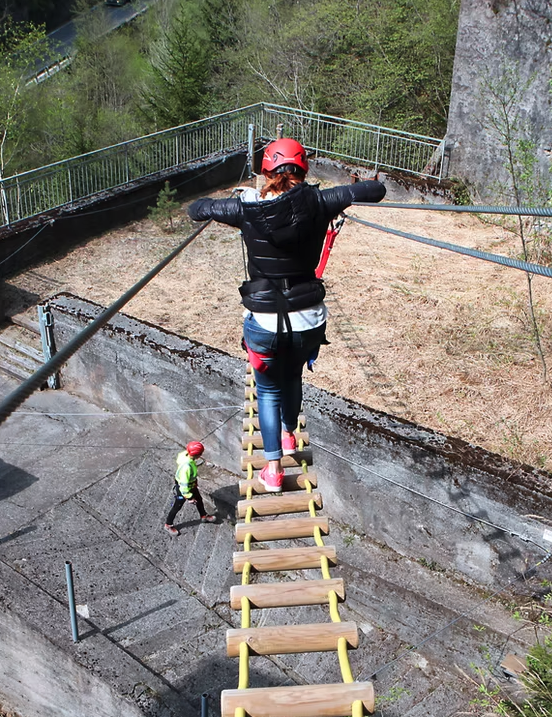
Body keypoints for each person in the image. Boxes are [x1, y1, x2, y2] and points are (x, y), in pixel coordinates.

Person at [188, 138, 386, 492]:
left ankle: (274, 470)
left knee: (267, 392)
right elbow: (377, 190)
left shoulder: (246, 208)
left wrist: (236, 202)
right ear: (303, 169)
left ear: (267, 171)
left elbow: (197, 209)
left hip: (264, 322)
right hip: (308, 320)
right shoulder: (320, 202)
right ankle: (289, 436)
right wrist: (344, 192)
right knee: (293, 377)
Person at [165, 440, 217, 534]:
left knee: (199, 500)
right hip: (184, 489)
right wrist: (189, 497)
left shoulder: (185, 455)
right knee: (177, 506)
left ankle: (203, 515)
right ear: (197, 455)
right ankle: (168, 524)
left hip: (192, 485)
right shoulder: (187, 467)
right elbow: (183, 486)